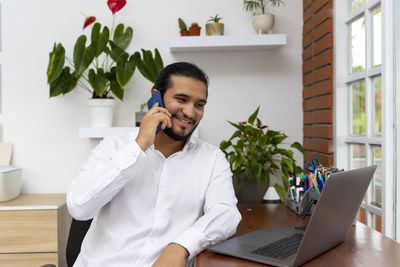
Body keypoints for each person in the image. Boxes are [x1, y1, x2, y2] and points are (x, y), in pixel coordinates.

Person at [66, 62, 242, 267]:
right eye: (181, 99)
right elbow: (79, 207)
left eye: (199, 105)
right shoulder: (115, 146)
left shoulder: (212, 159)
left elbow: (226, 214)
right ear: (156, 97)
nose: (190, 112)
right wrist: (139, 146)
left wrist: (181, 246)